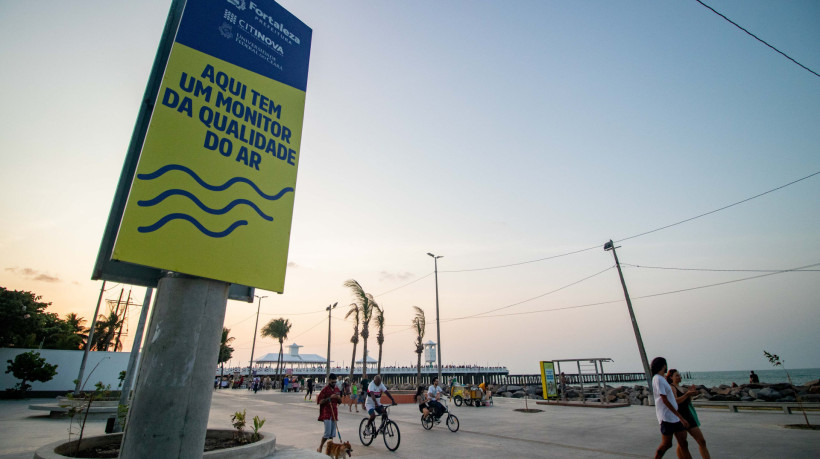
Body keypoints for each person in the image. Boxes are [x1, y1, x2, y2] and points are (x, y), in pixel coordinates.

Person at [651, 357, 691, 459]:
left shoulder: (662, 379)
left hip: (674, 417)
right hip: (667, 417)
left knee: (683, 443)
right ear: (663, 365)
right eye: (665, 365)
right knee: (667, 444)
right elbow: (664, 400)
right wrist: (680, 417)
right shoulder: (658, 379)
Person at [667, 369, 711, 459]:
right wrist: (687, 394)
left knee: (702, 441)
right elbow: (675, 402)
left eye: (679, 375)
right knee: (682, 444)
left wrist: (690, 394)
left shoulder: (682, 388)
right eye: (677, 375)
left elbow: (685, 402)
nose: (679, 377)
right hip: (679, 417)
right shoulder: (671, 387)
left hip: (688, 415)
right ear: (671, 377)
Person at [317, 373, 342, 453]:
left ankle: (329, 448)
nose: (334, 384)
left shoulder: (337, 389)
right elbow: (320, 401)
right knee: (327, 433)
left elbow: (340, 402)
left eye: (335, 382)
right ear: (329, 381)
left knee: (332, 434)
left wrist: (338, 398)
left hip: (334, 412)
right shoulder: (325, 390)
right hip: (326, 413)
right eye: (332, 382)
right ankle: (320, 447)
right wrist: (329, 398)